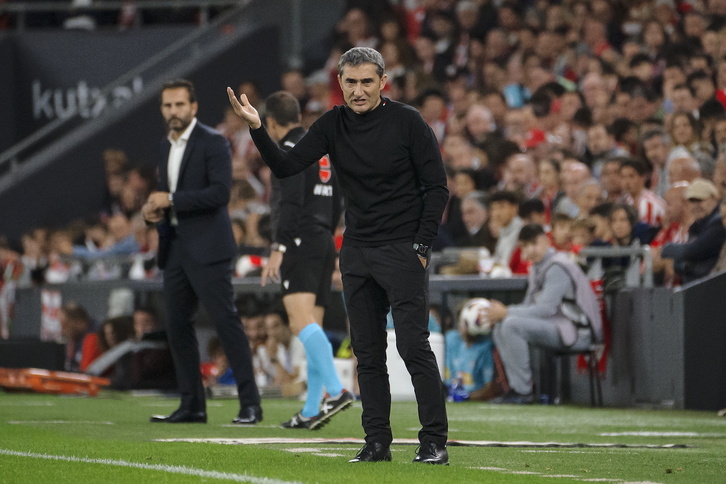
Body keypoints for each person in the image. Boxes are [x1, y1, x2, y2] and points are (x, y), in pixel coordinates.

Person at [228, 47, 449, 465]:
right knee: (366, 352)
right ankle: (377, 443)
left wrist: (421, 246)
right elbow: (287, 166)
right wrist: (258, 128)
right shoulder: (332, 122)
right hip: (357, 251)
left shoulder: (408, 121)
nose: (359, 90)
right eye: (350, 82)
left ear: (383, 82)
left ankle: (434, 441)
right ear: (340, 84)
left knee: (412, 346)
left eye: (367, 81)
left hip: (402, 249)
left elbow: (437, 187)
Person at [142, 79, 261, 425]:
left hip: (209, 248)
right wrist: (154, 212)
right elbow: (168, 196)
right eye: (167, 106)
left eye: (179, 105)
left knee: (227, 324)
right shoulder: (165, 146)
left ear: (193, 107)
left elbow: (221, 194)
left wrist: (172, 200)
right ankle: (192, 404)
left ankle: (250, 404)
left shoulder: (213, 142)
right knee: (177, 326)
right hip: (176, 247)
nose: (173, 111)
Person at [257, 90, 353, 430]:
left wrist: (279, 246)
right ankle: (312, 409)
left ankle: (337, 389)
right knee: (311, 324)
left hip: (299, 240)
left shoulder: (287, 151)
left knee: (300, 323)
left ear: (270, 122)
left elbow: (291, 201)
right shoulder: (321, 151)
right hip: (324, 239)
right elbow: (339, 196)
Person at [484, 224, 602, 403]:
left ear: (546, 241)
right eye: (525, 246)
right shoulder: (537, 267)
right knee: (501, 324)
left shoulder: (558, 265)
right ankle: (515, 388)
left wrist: (507, 311)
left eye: (534, 243)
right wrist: (505, 314)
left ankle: (524, 392)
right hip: (558, 326)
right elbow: (529, 306)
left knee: (510, 323)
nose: (530, 250)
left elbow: (545, 310)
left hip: (578, 331)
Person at [660, 179, 726, 283]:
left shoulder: (719, 222)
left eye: (700, 200)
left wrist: (664, 249)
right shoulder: (697, 225)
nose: (696, 205)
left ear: (713, 198)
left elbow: (693, 251)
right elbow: (689, 257)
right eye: (692, 200)